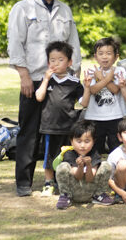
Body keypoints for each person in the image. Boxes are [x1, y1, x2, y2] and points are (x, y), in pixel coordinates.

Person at [7, 0, 81, 197]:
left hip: (62, 81)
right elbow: (15, 43)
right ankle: (24, 182)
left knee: (61, 131)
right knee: (29, 131)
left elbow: (74, 44)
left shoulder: (64, 10)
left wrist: (75, 74)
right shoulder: (23, 8)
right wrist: (23, 75)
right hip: (35, 78)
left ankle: (61, 179)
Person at [34, 41, 83, 196]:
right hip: (49, 126)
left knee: (68, 155)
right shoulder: (47, 79)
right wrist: (46, 80)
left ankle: (67, 182)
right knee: (49, 156)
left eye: (60, 60)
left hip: (68, 126)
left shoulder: (74, 82)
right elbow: (39, 97)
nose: (56, 63)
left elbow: (84, 102)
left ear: (69, 62)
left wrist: (87, 87)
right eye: (52, 60)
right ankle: (48, 183)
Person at [80, 37, 126, 154]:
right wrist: (106, 78)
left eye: (108, 53)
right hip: (95, 117)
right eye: (100, 53)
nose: (104, 57)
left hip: (115, 117)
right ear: (95, 56)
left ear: (116, 56)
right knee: (95, 148)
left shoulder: (120, 71)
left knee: (116, 147)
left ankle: (116, 170)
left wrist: (101, 78)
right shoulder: (91, 72)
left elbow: (115, 89)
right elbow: (93, 90)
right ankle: (96, 170)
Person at [54, 120, 114, 209]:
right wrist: (80, 166)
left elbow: (90, 178)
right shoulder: (69, 154)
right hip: (74, 190)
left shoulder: (94, 154)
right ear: (71, 141)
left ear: (93, 142)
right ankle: (66, 195)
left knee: (106, 165)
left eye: (87, 141)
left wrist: (89, 165)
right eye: (78, 141)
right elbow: (77, 177)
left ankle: (99, 194)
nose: (82, 145)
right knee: (62, 167)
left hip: (91, 189)